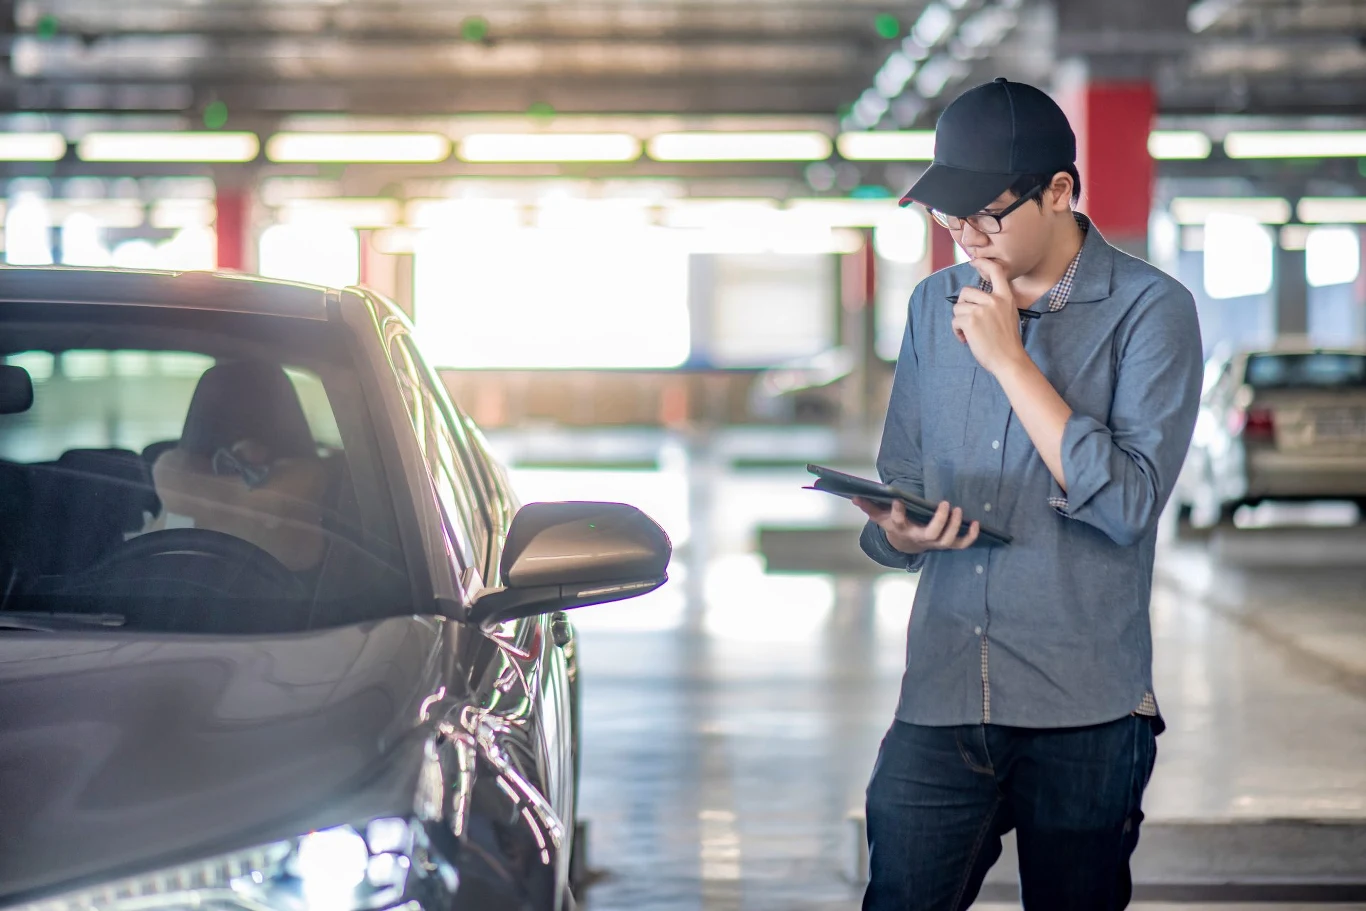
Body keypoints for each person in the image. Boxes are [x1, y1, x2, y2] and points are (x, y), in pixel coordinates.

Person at [855, 77, 1204, 911]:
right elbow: (902, 482)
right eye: (951, 219)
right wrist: (900, 532)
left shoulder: (1151, 311)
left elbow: (1127, 505)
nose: (967, 238)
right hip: (943, 689)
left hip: (1085, 704)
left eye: (986, 215)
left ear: (1057, 191)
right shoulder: (932, 305)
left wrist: (1011, 361)